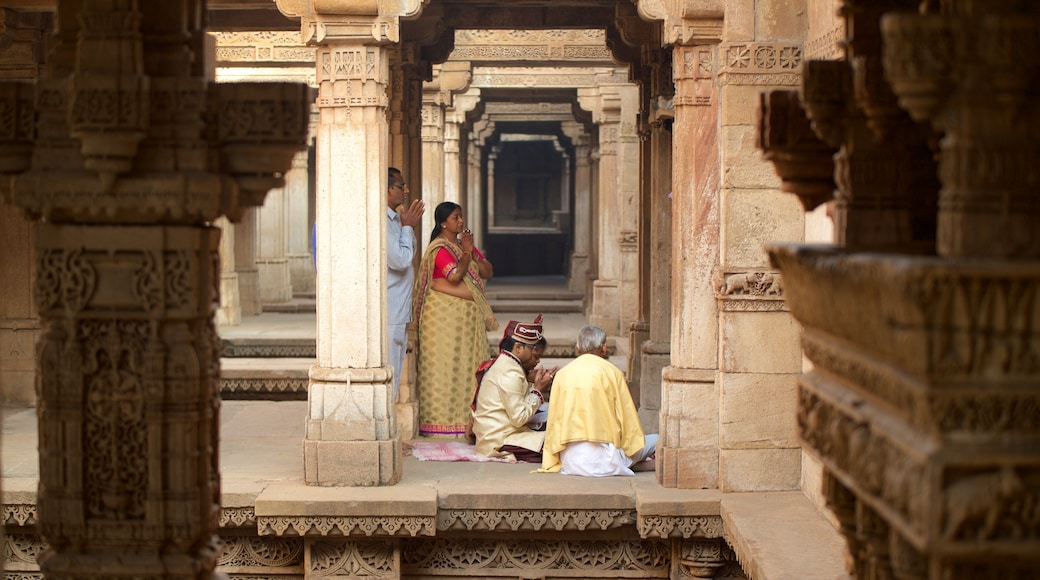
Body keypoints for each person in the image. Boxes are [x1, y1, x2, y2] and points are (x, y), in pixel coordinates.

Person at [412, 201, 496, 438]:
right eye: (455, 218)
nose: (460, 221)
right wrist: (467, 253)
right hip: (443, 322)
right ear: (442, 223)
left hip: (465, 325)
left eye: (461, 217)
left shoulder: (461, 246)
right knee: (445, 368)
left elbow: (488, 271)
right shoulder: (440, 250)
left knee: (468, 368)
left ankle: (466, 422)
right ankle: (439, 425)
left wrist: (470, 251)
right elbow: (456, 275)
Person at [539, 325, 657, 476]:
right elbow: (629, 424)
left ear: (578, 348)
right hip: (607, 460)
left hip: (570, 462)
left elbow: (554, 424)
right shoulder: (613, 373)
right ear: (604, 347)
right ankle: (632, 464)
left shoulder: (562, 375)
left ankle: (629, 464)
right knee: (655, 439)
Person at [471, 320, 555, 462]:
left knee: (554, 425)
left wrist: (528, 380)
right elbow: (519, 418)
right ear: (518, 348)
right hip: (499, 440)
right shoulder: (510, 373)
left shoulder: (507, 364)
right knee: (558, 444)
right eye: (535, 355)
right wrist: (538, 390)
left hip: (499, 433)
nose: (538, 361)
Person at [386, 167, 425, 400]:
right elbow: (400, 260)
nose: (406, 190)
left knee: (396, 372)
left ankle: (390, 429)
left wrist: (405, 226)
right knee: (389, 375)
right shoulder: (383, 220)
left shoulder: (394, 220)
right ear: (388, 189)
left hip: (399, 309)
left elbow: (407, 255)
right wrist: (408, 226)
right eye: (401, 186)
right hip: (390, 310)